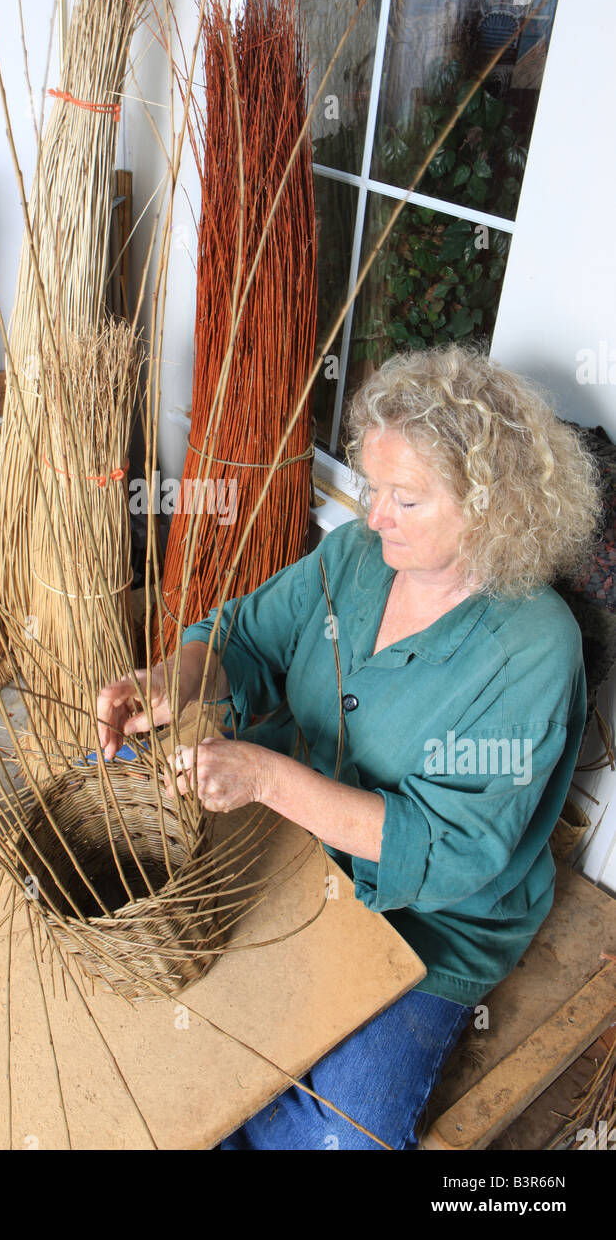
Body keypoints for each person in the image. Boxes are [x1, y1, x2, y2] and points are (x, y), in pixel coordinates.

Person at [96, 344, 602, 1150]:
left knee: (341, 1137)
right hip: (290, 843)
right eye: (373, 488)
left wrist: (263, 776)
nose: (373, 517)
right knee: (171, 1035)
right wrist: (173, 681)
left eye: (403, 498)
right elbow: (247, 639)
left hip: (427, 924)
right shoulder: (358, 558)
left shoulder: (532, 648)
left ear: (489, 506)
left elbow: (448, 850)